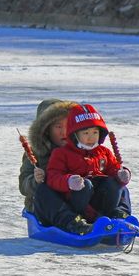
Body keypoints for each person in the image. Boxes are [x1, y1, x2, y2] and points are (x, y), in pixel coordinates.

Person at [45, 103, 133, 224]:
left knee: (114, 183)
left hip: (100, 201)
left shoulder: (104, 152)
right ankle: (79, 221)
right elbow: (53, 177)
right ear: (75, 135)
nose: (91, 138)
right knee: (85, 185)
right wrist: (68, 181)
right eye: (86, 133)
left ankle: (113, 215)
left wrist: (121, 174)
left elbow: (113, 168)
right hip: (78, 203)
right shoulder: (61, 153)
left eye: (95, 133)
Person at [19, 99, 94, 234]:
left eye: (68, 125)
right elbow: (23, 186)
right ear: (46, 130)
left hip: (77, 203)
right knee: (44, 189)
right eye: (58, 127)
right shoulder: (36, 153)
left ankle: (118, 215)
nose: (64, 132)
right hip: (48, 208)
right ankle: (72, 223)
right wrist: (35, 180)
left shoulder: (82, 149)